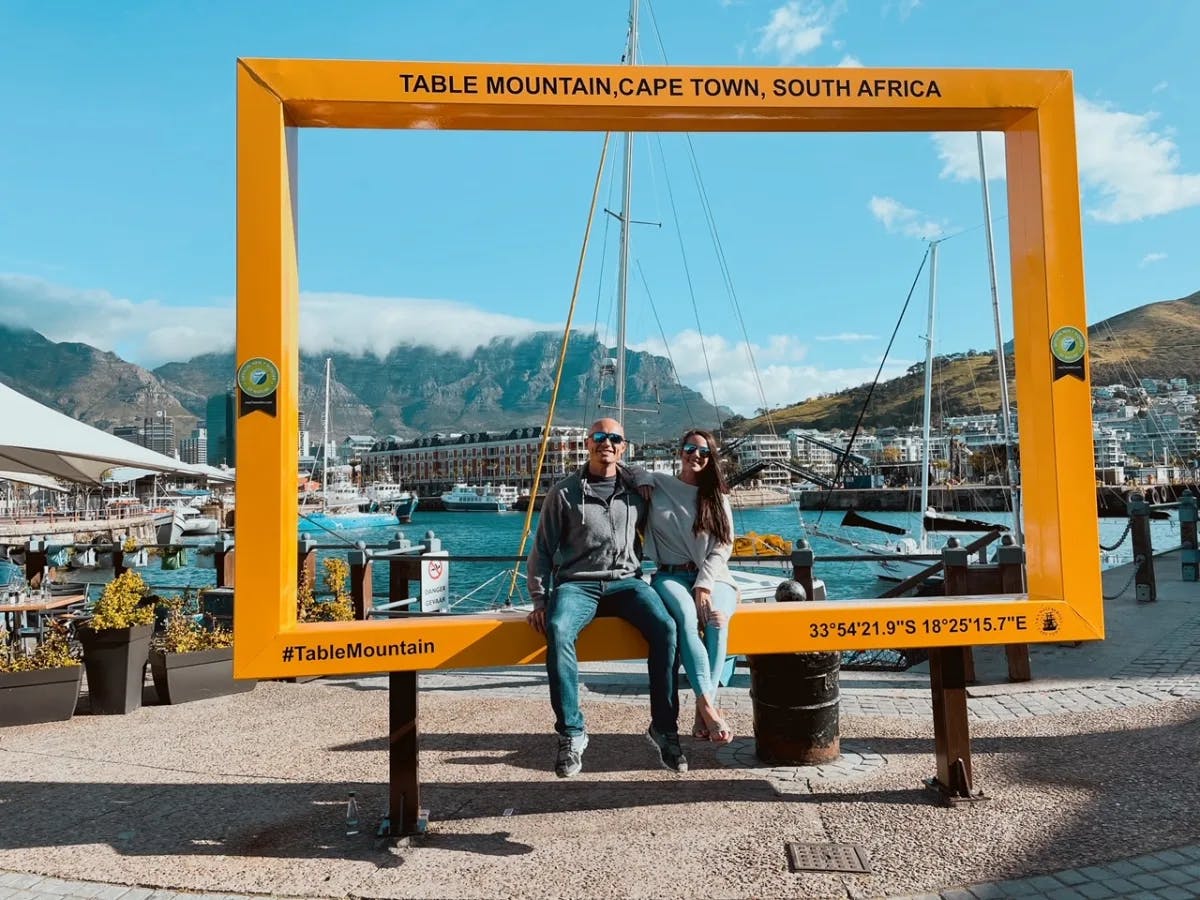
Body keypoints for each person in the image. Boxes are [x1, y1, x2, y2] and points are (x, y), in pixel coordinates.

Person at [526, 417, 687, 778]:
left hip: (626, 583)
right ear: (588, 443)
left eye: (614, 438)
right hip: (577, 584)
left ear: (623, 447)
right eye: (600, 437)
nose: (607, 443)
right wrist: (539, 598)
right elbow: (542, 548)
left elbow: (680, 504)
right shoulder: (564, 492)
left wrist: (641, 473)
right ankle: (572, 733)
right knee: (558, 628)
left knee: (666, 628)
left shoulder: (637, 489)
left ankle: (664, 728)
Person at [644, 429, 738, 744]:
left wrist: (705, 583)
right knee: (685, 619)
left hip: (714, 577)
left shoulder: (717, 495)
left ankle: (703, 707)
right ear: (679, 451)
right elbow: (627, 471)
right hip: (669, 576)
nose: (695, 455)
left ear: (711, 458)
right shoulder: (658, 483)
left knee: (716, 622)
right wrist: (642, 476)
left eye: (703, 451)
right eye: (689, 448)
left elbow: (724, 545)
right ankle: (709, 706)